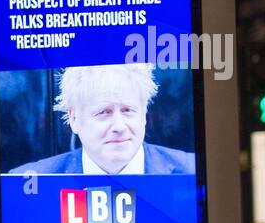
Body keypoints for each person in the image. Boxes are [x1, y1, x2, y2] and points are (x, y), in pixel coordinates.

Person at [10, 63, 195, 176]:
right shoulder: (28, 182)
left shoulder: (192, 171)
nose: (119, 126)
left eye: (128, 110)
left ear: (144, 114)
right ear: (74, 118)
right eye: (104, 112)